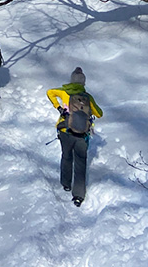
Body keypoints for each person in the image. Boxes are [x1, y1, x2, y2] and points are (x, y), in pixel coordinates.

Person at [46, 67, 103, 207]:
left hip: (65, 131)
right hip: (82, 135)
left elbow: (49, 93)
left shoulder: (64, 92)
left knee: (66, 156)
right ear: (83, 83)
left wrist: (59, 108)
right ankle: (78, 196)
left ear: (71, 80)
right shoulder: (87, 97)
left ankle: (66, 184)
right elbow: (100, 114)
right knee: (81, 163)